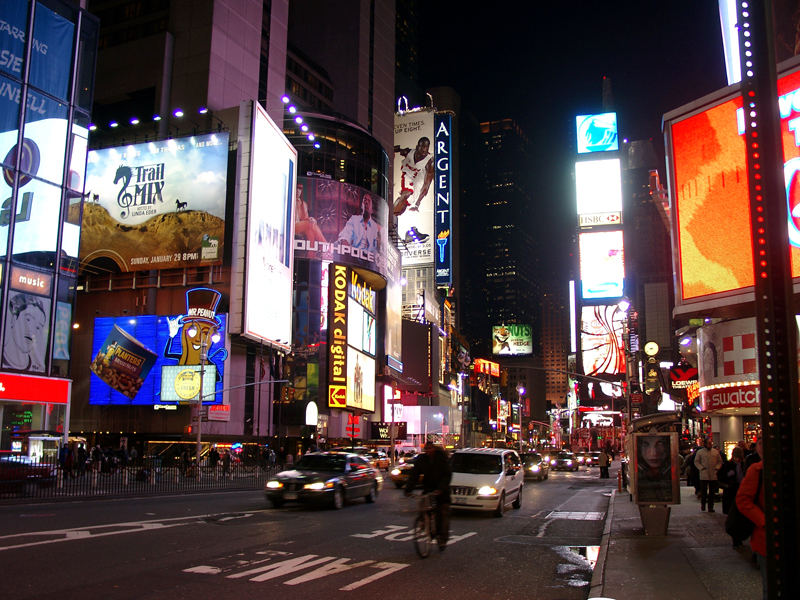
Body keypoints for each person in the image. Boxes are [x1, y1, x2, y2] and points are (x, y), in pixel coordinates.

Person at [405, 441, 452, 551]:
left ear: (434, 449)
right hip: (429, 487)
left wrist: (440, 489)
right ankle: (424, 522)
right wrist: (409, 489)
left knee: (442, 513)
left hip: (441, 490)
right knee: (423, 505)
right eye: (427, 449)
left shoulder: (441, 459)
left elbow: (447, 475)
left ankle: (442, 538)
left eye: (430, 449)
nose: (428, 451)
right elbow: (414, 474)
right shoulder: (422, 459)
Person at [736, 436, 765, 599]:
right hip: (765, 539)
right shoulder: (756, 470)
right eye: (760, 443)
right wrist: (763, 521)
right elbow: (743, 501)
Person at [2, 293, 47, 372]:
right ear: (14, 319)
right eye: (28, 320)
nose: (32, 331)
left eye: (38, 327)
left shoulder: (38, 368)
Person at [393, 137, 434, 216]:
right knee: (405, 195)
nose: (424, 149)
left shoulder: (430, 162)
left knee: (408, 201)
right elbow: (397, 149)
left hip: (419, 179)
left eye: (426, 147)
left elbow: (426, 185)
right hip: (408, 174)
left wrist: (417, 203)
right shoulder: (408, 152)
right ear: (417, 146)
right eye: (422, 146)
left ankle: (395, 213)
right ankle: (392, 214)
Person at [636, 435, 674, 503]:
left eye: (660, 444)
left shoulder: (671, 473)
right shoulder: (638, 475)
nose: (653, 453)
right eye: (646, 445)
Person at [695, 436, 722, 512]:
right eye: (709, 443)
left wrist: (717, 468)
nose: (710, 445)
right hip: (704, 474)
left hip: (713, 474)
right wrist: (701, 468)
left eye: (711, 443)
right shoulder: (700, 452)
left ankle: (710, 507)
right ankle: (703, 505)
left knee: (712, 492)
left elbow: (720, 461)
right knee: (704, 491)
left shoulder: (715, 452)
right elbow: (696, 461)